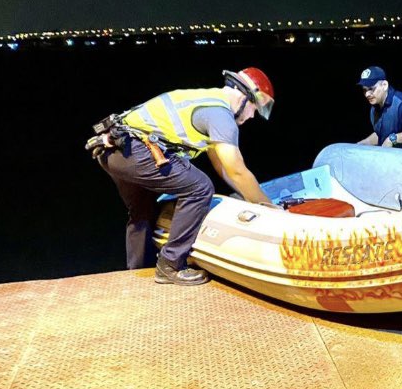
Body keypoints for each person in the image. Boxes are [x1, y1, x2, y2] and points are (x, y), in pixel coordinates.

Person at [89, 67, 280, 285]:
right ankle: (171, 264)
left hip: (113, 151)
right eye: (255, 108)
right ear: (244, 98)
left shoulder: (206, 100)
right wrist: (266, 205)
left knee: (142, 209)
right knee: (200, 188)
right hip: (136, 149)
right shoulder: (221, 115)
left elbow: (224, 168)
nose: (253, 116)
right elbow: (237, 170)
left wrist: (245, 194)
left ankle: (138, 274)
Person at [356, 66, 402, 149]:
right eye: (364, 90)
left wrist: (393, 139)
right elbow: (381, 134)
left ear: (384, 85)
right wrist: (365, 142)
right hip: (389, 158)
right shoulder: (374, 108)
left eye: (371, 89)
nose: (367, 94)